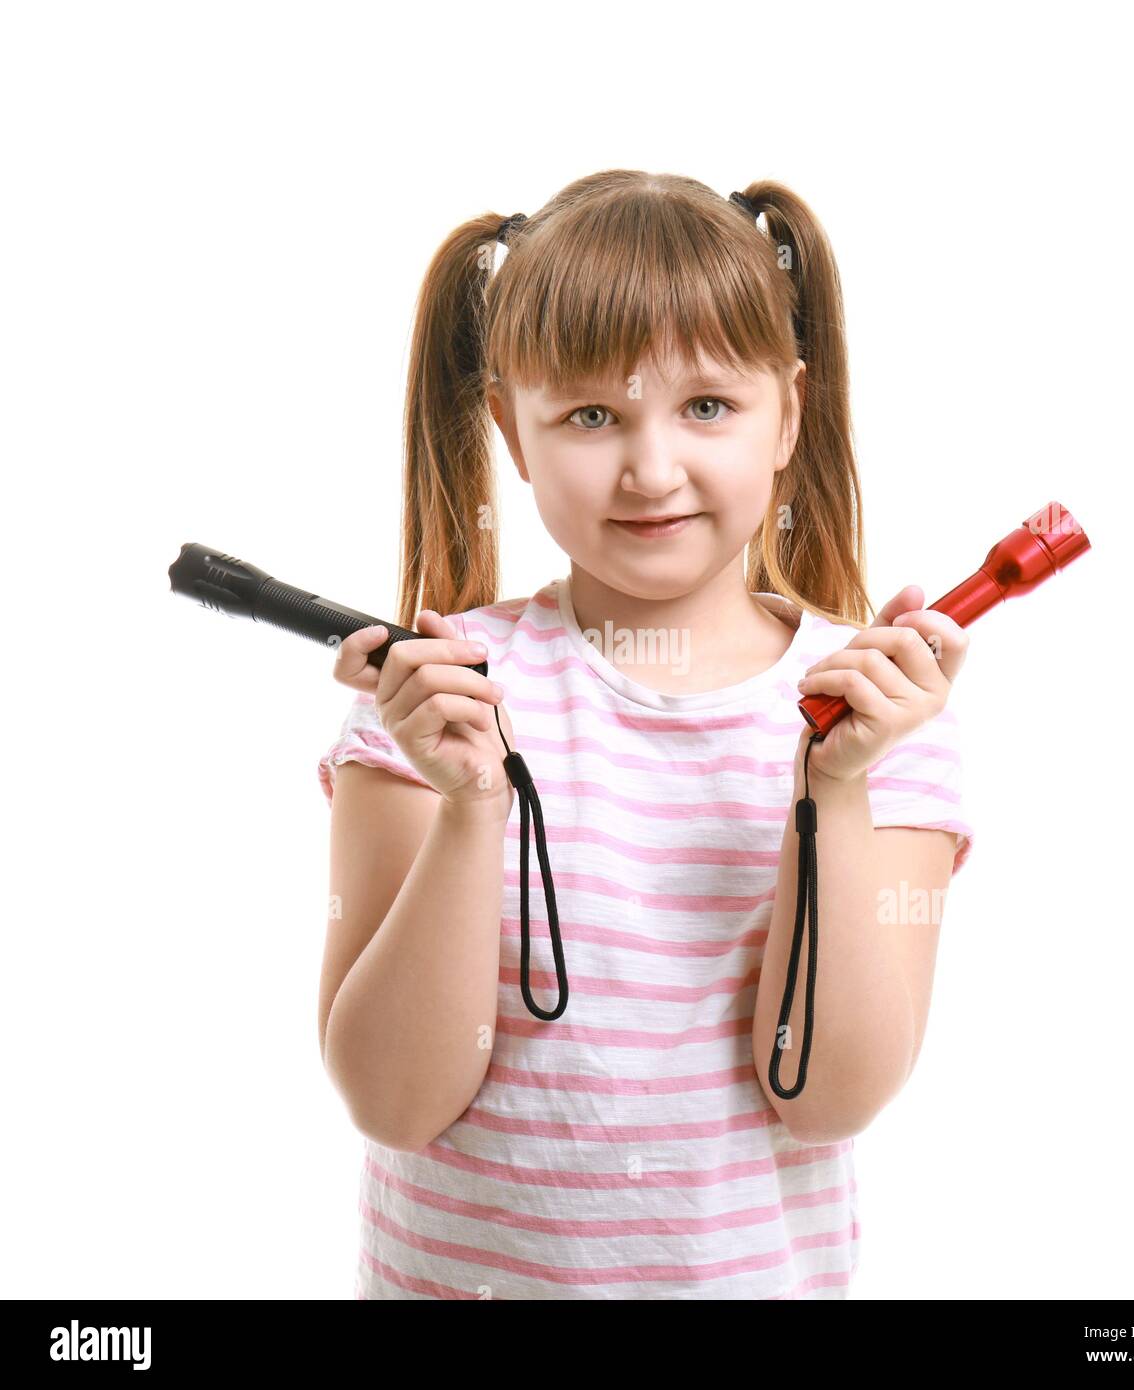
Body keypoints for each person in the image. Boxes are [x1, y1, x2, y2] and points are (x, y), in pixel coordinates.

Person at [316, 170, 974, 1300]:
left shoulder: (874, 713)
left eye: (707, 407)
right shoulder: (438, 697)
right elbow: (393, 1099)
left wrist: (834, 792)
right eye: (588, 415)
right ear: (508, 434)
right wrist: (472, 805)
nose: (651, 468)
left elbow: (826, 1095)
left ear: (790, 417)